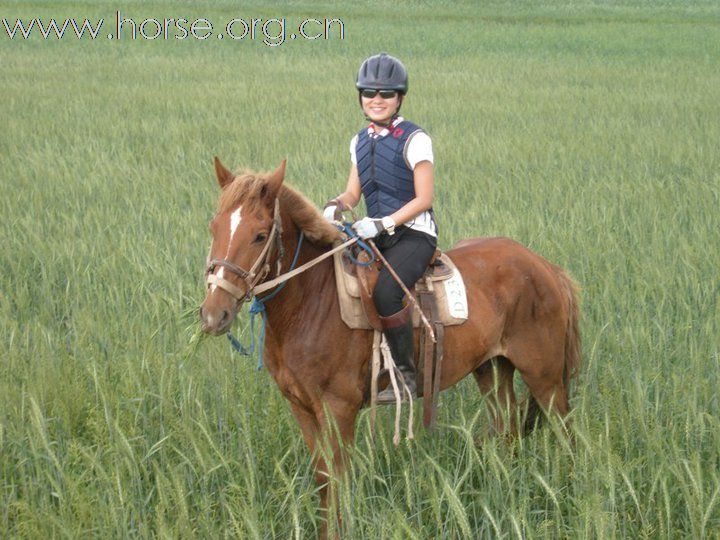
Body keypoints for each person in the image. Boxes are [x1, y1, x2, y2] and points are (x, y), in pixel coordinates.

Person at [323, 52, 438, 404]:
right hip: (375, 234)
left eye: (386, 94)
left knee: (386, 292)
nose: (376, 100)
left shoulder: (416, 139)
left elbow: (424, 198)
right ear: (360, 97)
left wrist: (383, 222)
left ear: (399, 98)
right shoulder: (360, 141)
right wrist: (336, 205)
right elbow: (354, 192)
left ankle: (406, 376)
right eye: (369, 92)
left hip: (413, 235)